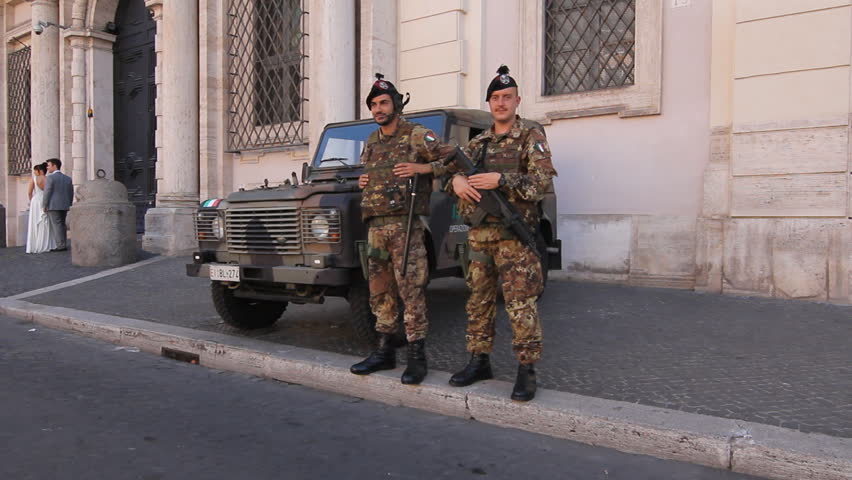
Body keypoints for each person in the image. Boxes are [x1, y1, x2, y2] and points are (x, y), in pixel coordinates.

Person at [446, 66, 558, 401]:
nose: (500, 103)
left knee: (520, 304)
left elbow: (541, 183)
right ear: (489, 102)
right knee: (478, 302)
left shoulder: (530, 138)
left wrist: (502, 180)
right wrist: (455, 181)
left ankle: (526, 370)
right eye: (495, 98)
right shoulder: (478, 143)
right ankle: (479, 360)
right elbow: (446, 173)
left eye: (506, 97)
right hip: (480, 235)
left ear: (517, 100)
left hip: (514, 238)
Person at [349, 74, 456, 384]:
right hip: (376, 228)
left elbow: (453, 159)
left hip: (405, 226)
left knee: (411, 290)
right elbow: (373, 173)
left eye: (383, 103)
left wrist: (422, 168)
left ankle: (416, 356)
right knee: (379, 291)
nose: (378, 109)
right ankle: (384, 351)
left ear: (395, 104)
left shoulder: (417, 135)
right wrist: (363, 181)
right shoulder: (371, 141)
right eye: (373, 105)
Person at [42, 158, 74, 252]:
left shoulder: (50, 177)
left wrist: (44, 205)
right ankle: (63, 243)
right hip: (64, 204)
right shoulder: (67, 178)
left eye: (48, 165)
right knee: (62, 225)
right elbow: (71, 192)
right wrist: (69, 203)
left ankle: (60, 245)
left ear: (54, 165)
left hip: (53, 205)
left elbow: (47, 192)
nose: (47, 167)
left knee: (57, 225)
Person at [25, 162, 56, 254]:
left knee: (35, 222)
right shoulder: (48, 179)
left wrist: (31, 201)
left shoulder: (34, 179)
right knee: (45, 222)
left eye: (35, 170)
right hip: (46, 200)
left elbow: (29, 192)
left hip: (36, 201)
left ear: (39, 170)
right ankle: (46, 244)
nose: (34, 172)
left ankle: (35, 245)